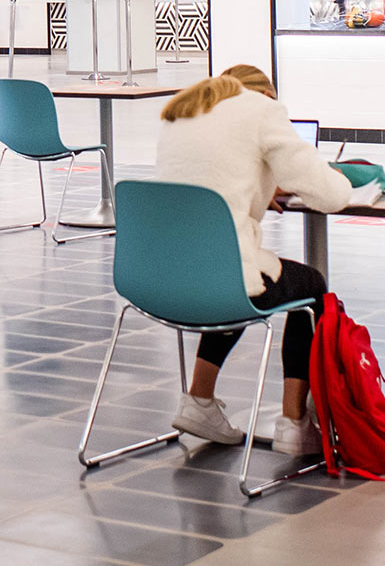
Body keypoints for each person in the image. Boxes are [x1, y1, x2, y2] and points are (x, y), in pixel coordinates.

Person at [150, 63, 359, 455]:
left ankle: (199, 401)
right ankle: (295, 425)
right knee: (306, 285)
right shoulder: (262, 110)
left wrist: (263, 185)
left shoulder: (183, 112)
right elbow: (329, 195)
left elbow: (213, 177)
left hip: (158, 277)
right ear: (266, 95)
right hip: (222, 276)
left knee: (239, 276)